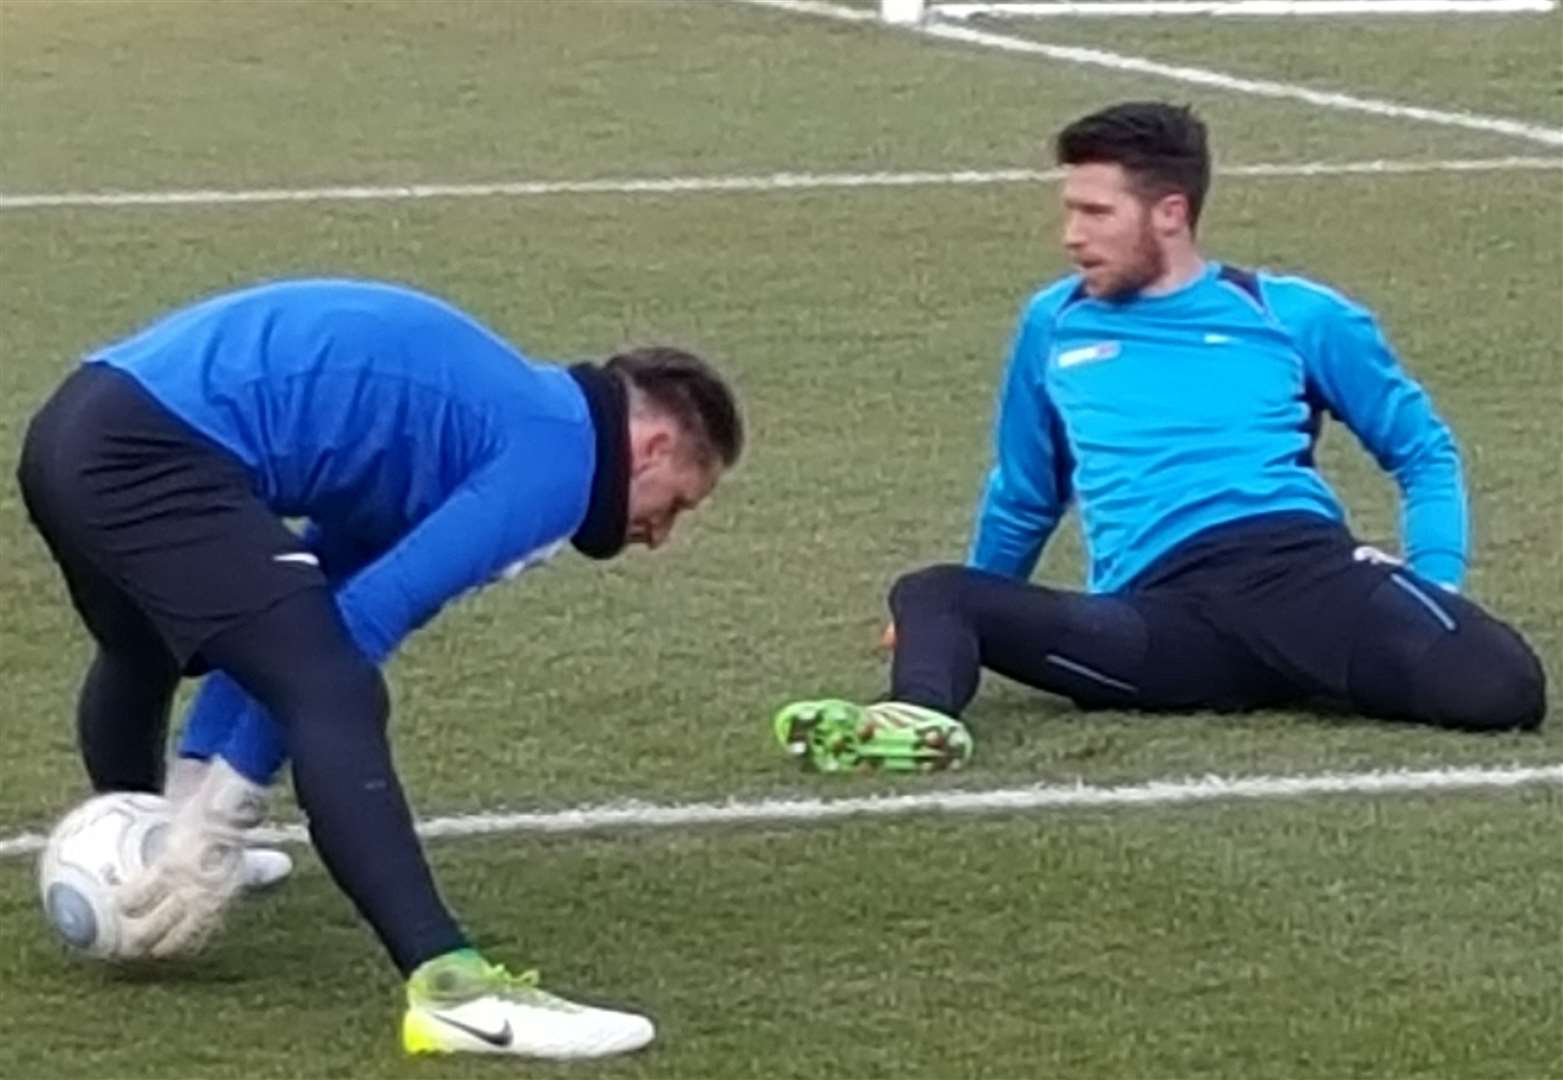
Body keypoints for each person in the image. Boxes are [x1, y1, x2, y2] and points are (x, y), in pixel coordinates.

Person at [17, 277, 743, 1059]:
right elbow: (363, 623)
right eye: (675, 505)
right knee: (335, 687)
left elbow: (301, 598)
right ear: (654, 447)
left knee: (157, 647)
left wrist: (199, 802)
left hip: (75, 427)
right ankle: (453, 991)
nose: (659, 535)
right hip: (146, 453)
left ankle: (145, 845)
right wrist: (220, 811)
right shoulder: (555, 455)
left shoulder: (486, 417)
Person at [774, 101, 1545, 773]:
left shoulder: (1293, 313)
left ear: (1169, 213)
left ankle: (1325, 663)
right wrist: (949, 625)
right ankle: (909, 720)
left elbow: (1421, 449)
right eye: (1069, 209)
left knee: (1502, 690)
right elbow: (1025, 490)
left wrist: (1432, 579)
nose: (1070, 235)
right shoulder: (1052, 323)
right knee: (932, 591)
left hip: (1297, 572)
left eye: (1095, 213)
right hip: (1160, 616)